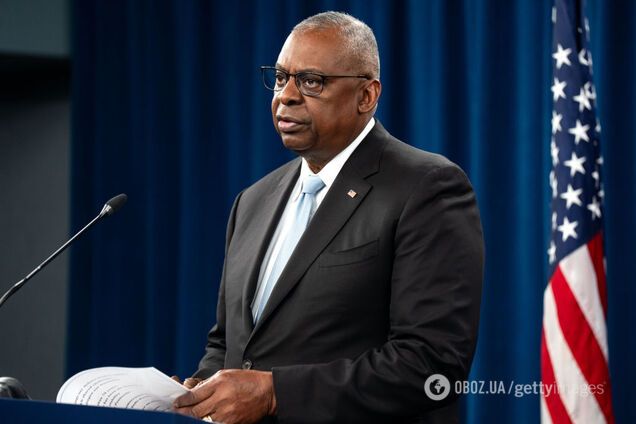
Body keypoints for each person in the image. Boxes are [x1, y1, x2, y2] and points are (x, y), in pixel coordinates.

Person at [174, 11, 483, 424]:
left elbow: (431, 363)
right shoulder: (252, 201)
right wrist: (200, 389)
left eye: (311, 81)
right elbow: (228, 345)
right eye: (280, 77)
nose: (286, 95)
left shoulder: (427, 188)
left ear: (366, 96)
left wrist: (275, 394)